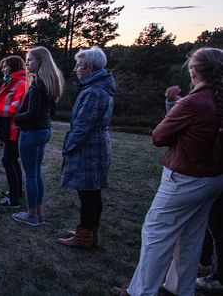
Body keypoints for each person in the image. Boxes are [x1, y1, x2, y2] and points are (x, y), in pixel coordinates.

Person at [111, 47, 223, 296]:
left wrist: (175, 106)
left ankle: (140, 292)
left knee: (156, 234)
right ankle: (179, 288)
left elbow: (159, 136)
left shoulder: (194, 102)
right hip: (213, 178)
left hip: (186, 178)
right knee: (190, 236)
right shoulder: (216, 99)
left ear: (194, 70)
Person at [57, 46, 115, 248]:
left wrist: (68, 147)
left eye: (78, 65)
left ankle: (85, 236)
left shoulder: (93, 92)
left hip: (89, 147)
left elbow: (82, 126)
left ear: (89, 68)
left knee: (88, 194)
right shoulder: (100, 88)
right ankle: (89, 232)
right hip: (96, 144)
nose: (75, 69)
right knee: (92, 193)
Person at [12, 46, 64, 226]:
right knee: (36, 174)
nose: (27, 64)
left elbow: (31, 114)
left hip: (32, 133)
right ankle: (38, 213)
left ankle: (32, 215)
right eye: (26, 60)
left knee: (31, 175)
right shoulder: (51, 82)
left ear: (41, 61)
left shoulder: (38, 84)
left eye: (30, 60)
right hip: (44, 130)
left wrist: (14, 116)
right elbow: (51, 113)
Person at [0, 55, 28, 208]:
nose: (3, 69)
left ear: (13, 67)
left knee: (8, 161)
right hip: (8, 129)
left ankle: (14, 200)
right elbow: (6, 103)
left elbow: (14, 109)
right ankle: (16, 192)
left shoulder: (21, 84)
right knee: (12, 160)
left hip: (14, 130)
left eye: (5, 66)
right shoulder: (12, 82)